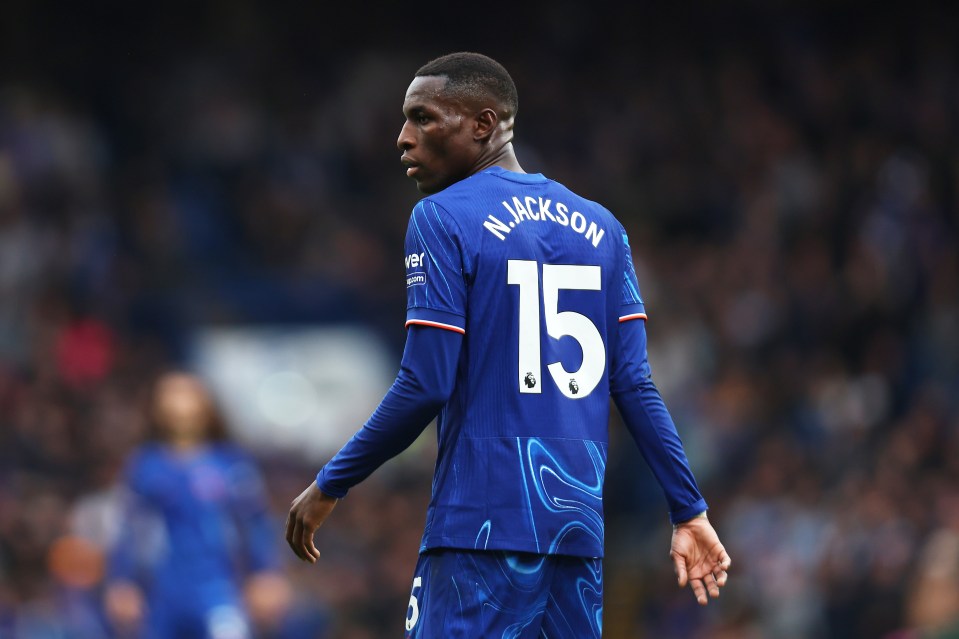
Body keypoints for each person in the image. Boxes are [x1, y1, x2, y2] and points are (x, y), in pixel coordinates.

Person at [286, 52, 731, 637]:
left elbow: (425, 383)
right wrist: (689, 508)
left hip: (482, 528)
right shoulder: (603, 228)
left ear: (483, 123)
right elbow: (635, 384)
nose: (403, 138)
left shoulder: (441, 218)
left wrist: (330, 484)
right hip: (575, 533)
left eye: (423, 118)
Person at [105, 372, 290, 639]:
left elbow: (255, 523)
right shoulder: (145, 466)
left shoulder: (231, 465)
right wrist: (122, 581)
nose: (180, 403)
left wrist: (266, 572)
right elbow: (130, 530)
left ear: (206, 404)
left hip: (219, 587)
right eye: (171, 394)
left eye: (187, 393)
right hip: (162, 590)